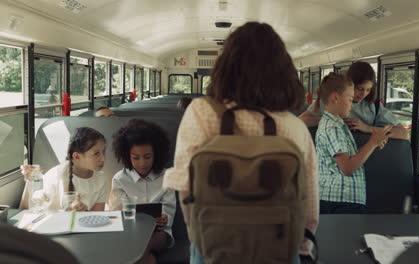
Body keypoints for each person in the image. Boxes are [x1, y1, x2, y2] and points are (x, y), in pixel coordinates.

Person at [163, 22, 319, 263]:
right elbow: (308, 205)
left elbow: (185, 188)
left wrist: (199, 240)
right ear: (283, 72)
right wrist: (300, 247)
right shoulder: (295, 127)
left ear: (226, 67)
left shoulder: (201, 112)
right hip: (279, 246)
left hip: (213, 244)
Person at [315, 73, 391, 214]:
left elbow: (349, 158)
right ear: (335, 98)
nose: (352, 105)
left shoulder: (336, 124)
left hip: (342, 199)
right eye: (350, 99)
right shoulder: (332, 127)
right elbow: (347, 167)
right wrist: (373, 142)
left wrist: (374, 143)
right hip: (340, 200)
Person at [109, 119, 176, 264]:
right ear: (127, 156)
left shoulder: (167, 177)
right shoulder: (120, 180)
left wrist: (164, 218)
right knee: (147, 258)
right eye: (135, 158)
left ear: (156, 154)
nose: (142, 163)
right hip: (129, 233)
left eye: (147, 157)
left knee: (141, 245)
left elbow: (169, 211)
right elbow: (116, 214)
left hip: (159, 234)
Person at [298, 61, 409, 140]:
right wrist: (334, 121)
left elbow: (403, 133)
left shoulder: (373, 106)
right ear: (350, 84)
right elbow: (301, 121)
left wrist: (367, 128)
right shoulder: (329, 101)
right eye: (360, 89)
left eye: (368, 90)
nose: (363, 94)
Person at [20, 127, 109, 211]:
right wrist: (30, 181)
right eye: (96, 153)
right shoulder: (56, 176)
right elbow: (29, 208)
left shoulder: (101, 178)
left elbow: (97, 215)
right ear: (77, 156)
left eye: (103, 152)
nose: (103, 158)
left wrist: (85, 211)